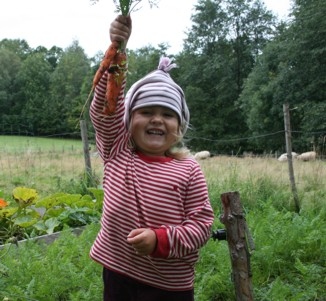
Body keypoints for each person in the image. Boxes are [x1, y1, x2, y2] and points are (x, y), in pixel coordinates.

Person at [89, 14, 215, 301]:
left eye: (168, 114)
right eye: (146, 112)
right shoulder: (118, 151)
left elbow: (201, 226)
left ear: (179, 127)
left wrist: (160, 239)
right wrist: (117, 50)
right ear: (128, 120)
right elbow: (105, 110)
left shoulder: (189, 169)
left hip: (169, 285)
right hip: (119, 273)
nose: (157, 120)